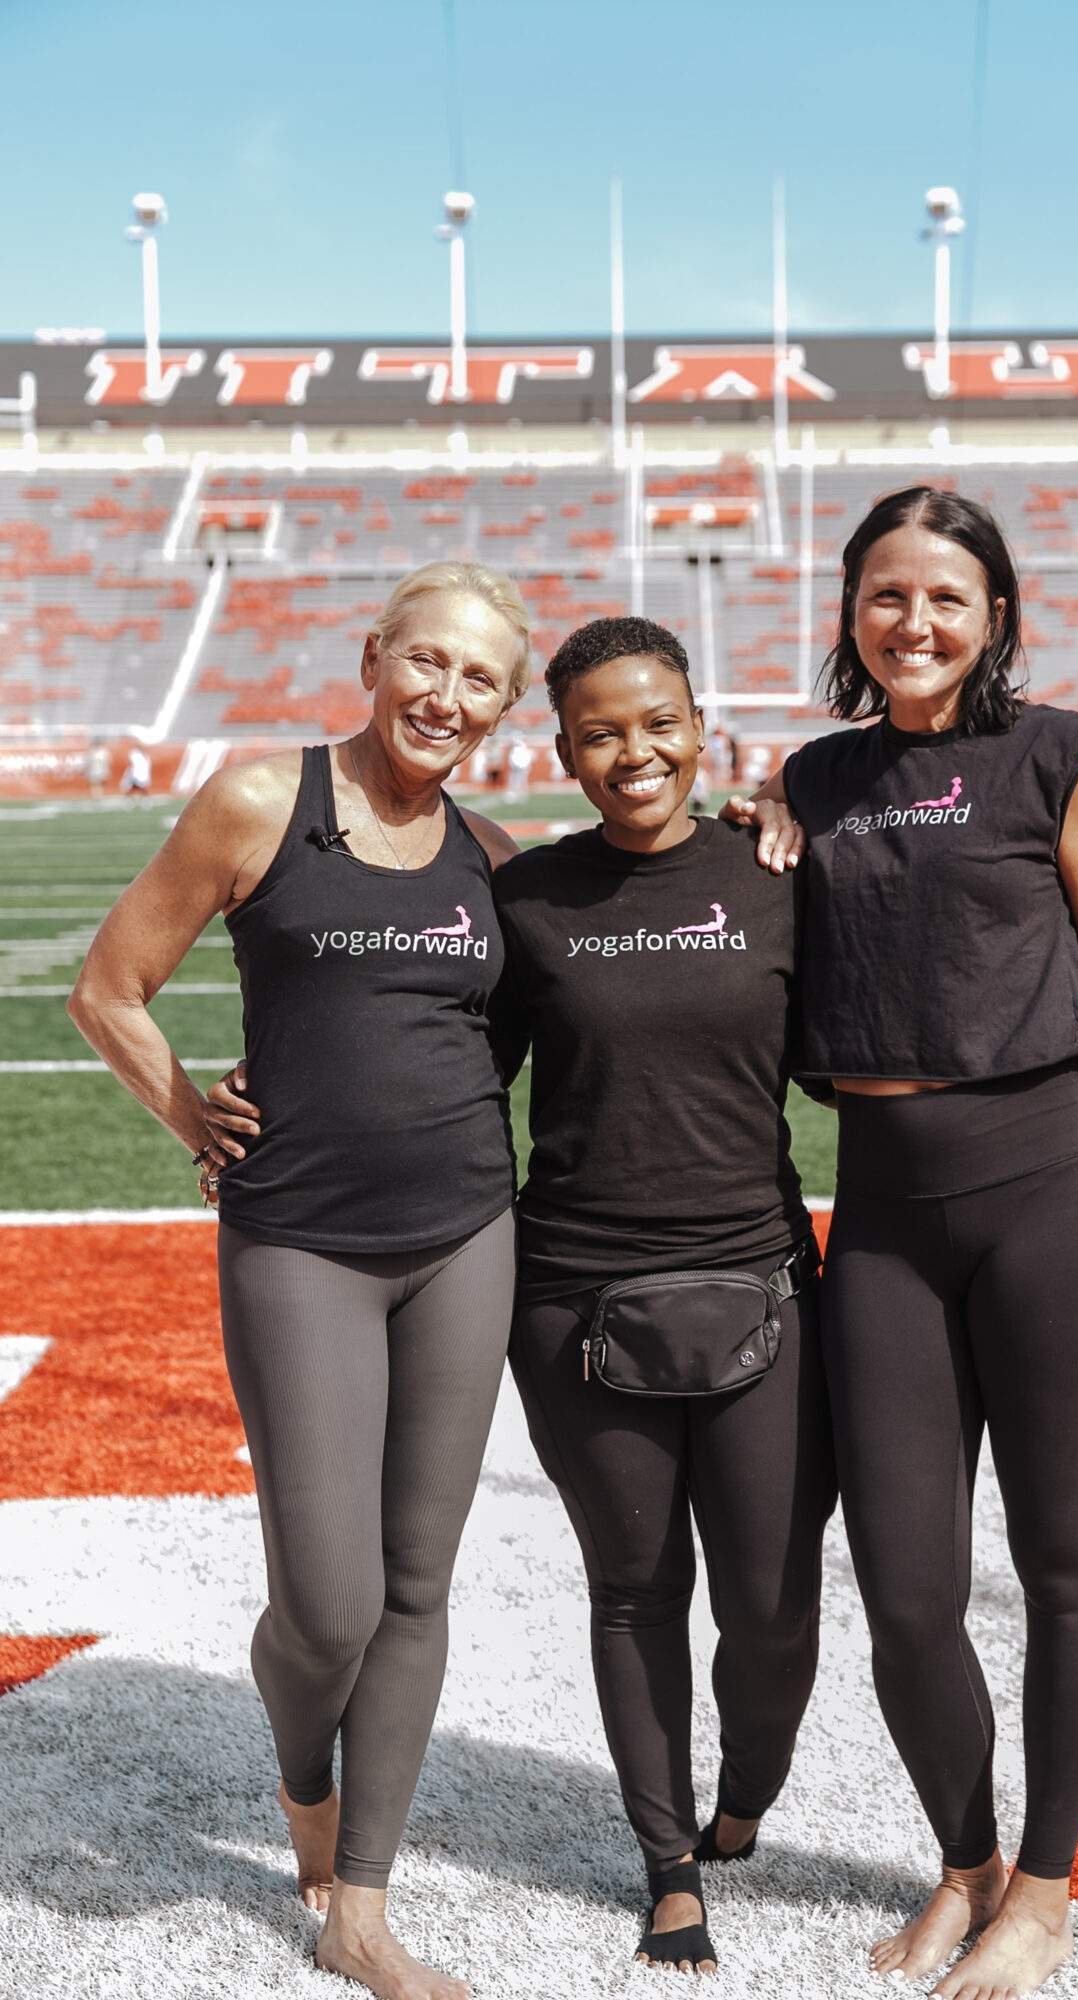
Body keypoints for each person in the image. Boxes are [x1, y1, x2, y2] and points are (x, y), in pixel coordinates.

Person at [68, 559, 531, 2000]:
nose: (447, 697)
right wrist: (192, 1124)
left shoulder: (496, 855)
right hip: (300, 1243)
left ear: (503, 707)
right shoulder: (262, 802)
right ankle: (303, 1795)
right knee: (326, 1605)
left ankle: (361, 1909)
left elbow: (519, 1027)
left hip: (465, 1236)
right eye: (430, 663)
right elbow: (108, 987)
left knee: (416, 1583)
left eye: (482, 681)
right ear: (373, 654)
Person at [752, 487, 1078, 1999]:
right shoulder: (809, 776)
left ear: (996, 612)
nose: (913, 622)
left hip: (1055, 1197)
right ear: (849, 612)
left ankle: (1047, 1895)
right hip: (880, 1214)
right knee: (908, 1589)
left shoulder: (1066, 757)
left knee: (1064, 1563)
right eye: (885, 594)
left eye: (946, 595)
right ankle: (966, 1864)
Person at [491, 618, 837, 1975]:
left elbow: (863, 1058)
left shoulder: (777, 878)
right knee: (633, 1591)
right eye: (598, 731)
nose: (632, 753)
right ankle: (667, 1866)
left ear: (702, 728)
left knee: (770, 1604)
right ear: (564, 747)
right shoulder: (529, 902)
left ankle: (744, 1792)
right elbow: (457, 1081)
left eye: (657, 723)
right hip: (573, 1300)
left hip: (762, 1285)